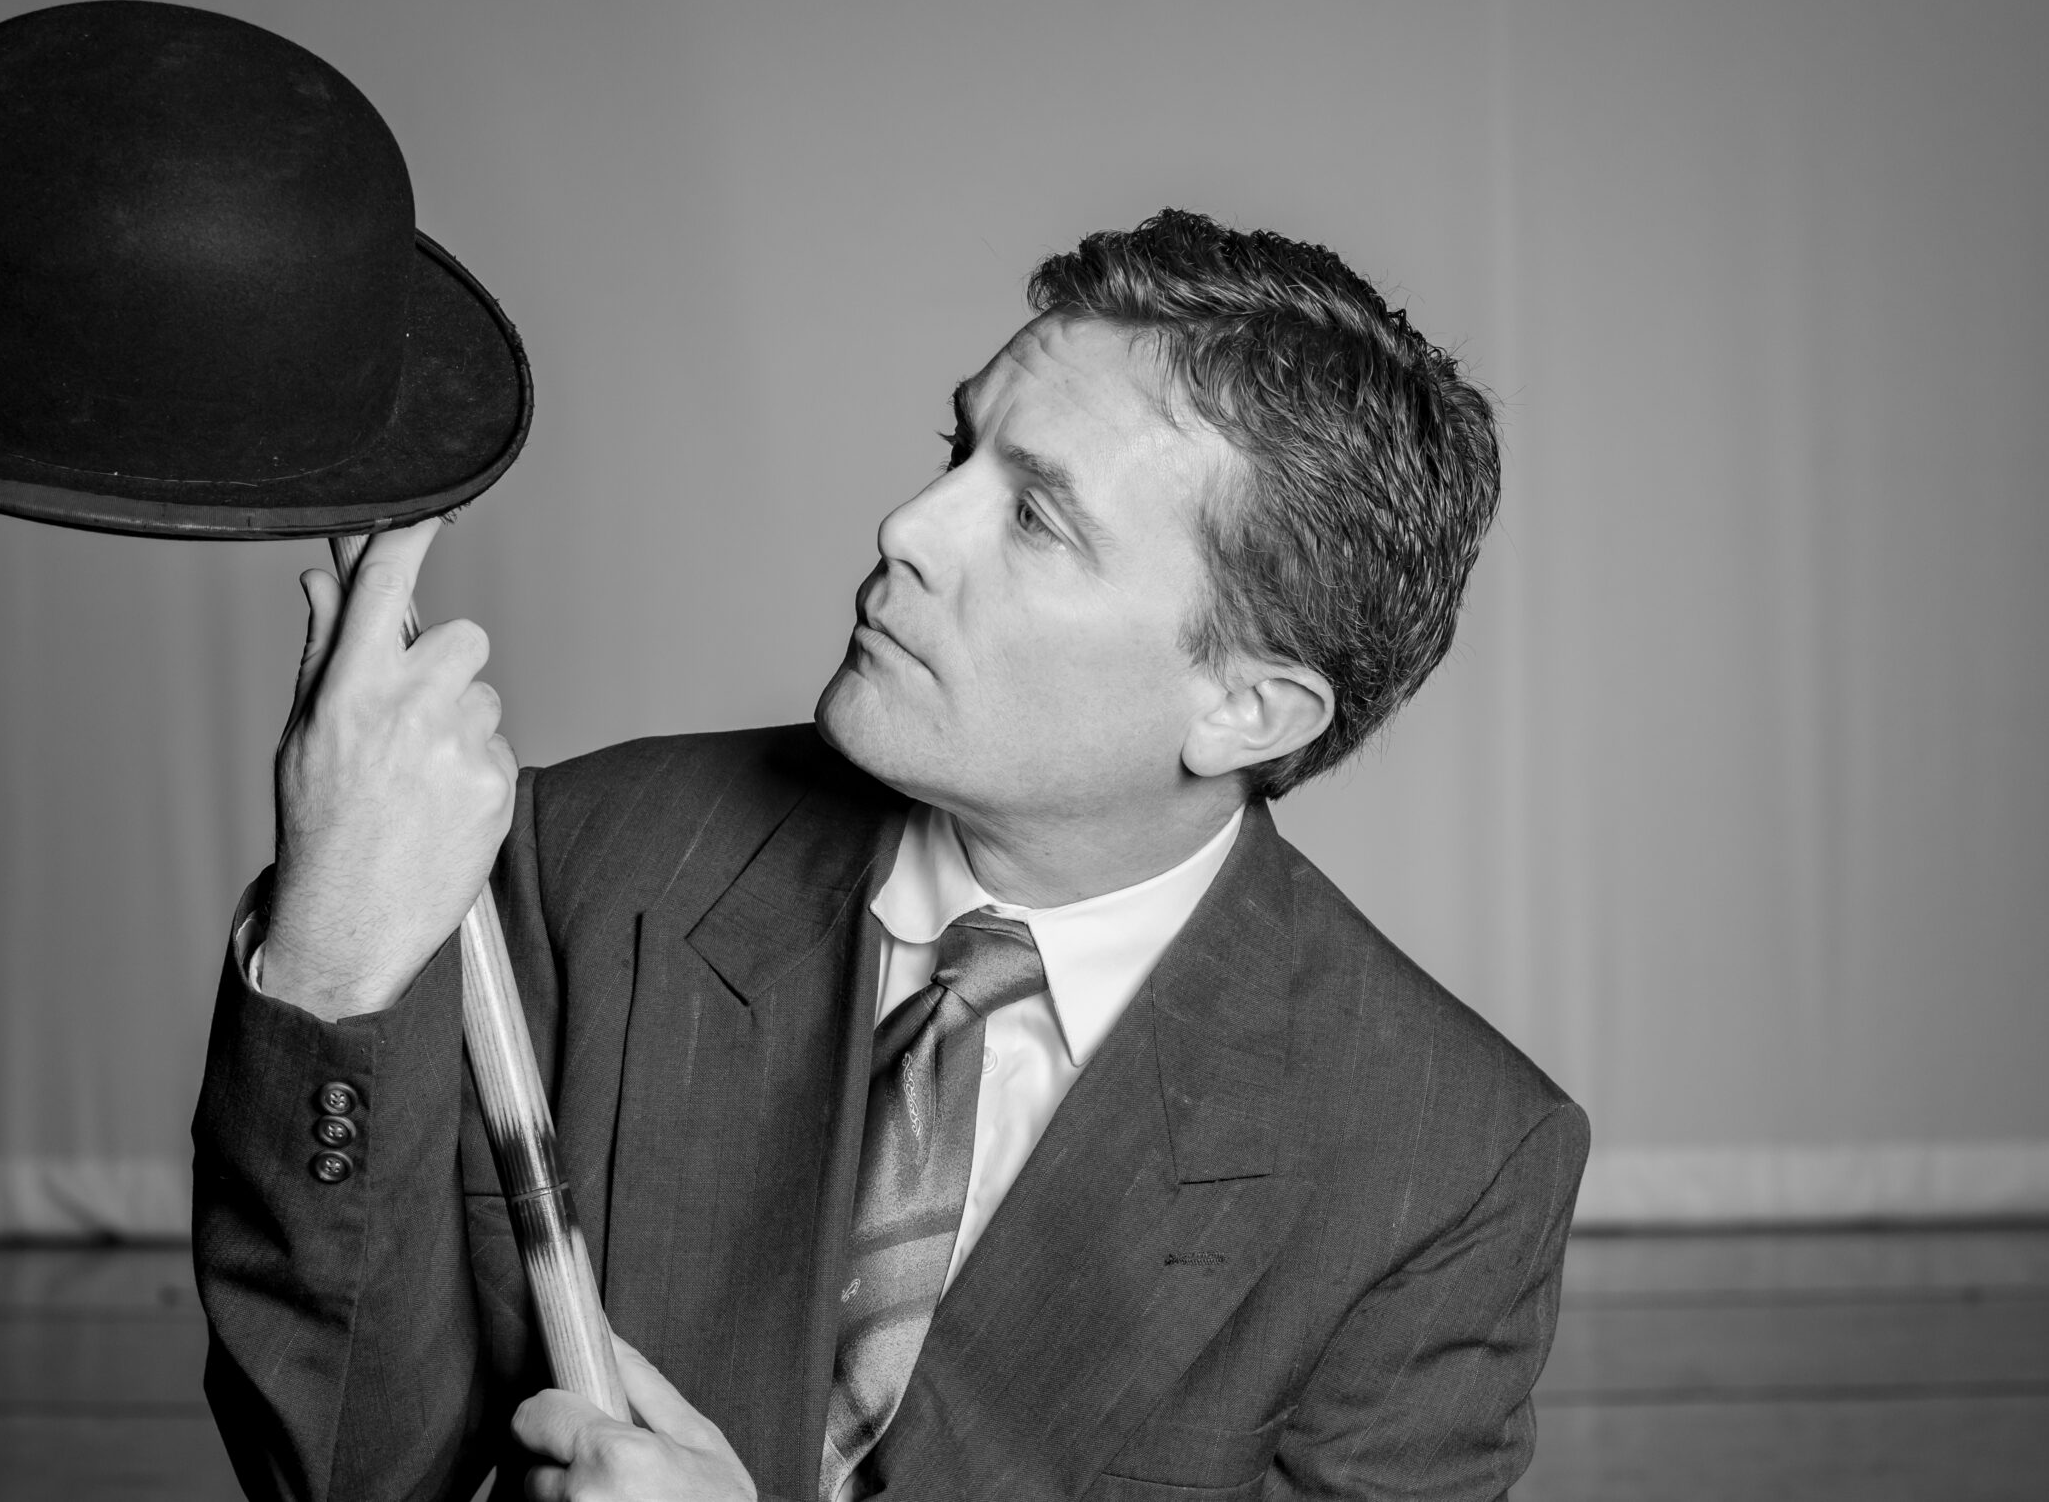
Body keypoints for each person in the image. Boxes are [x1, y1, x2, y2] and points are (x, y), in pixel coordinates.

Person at [192, 209, 1589, 1502]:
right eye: (956, 453)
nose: (907, 530)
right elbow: (345, 1473)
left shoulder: (1447, 1160)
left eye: (1036, 516)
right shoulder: (591, 867)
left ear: (1246, 708)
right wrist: (335, 956)